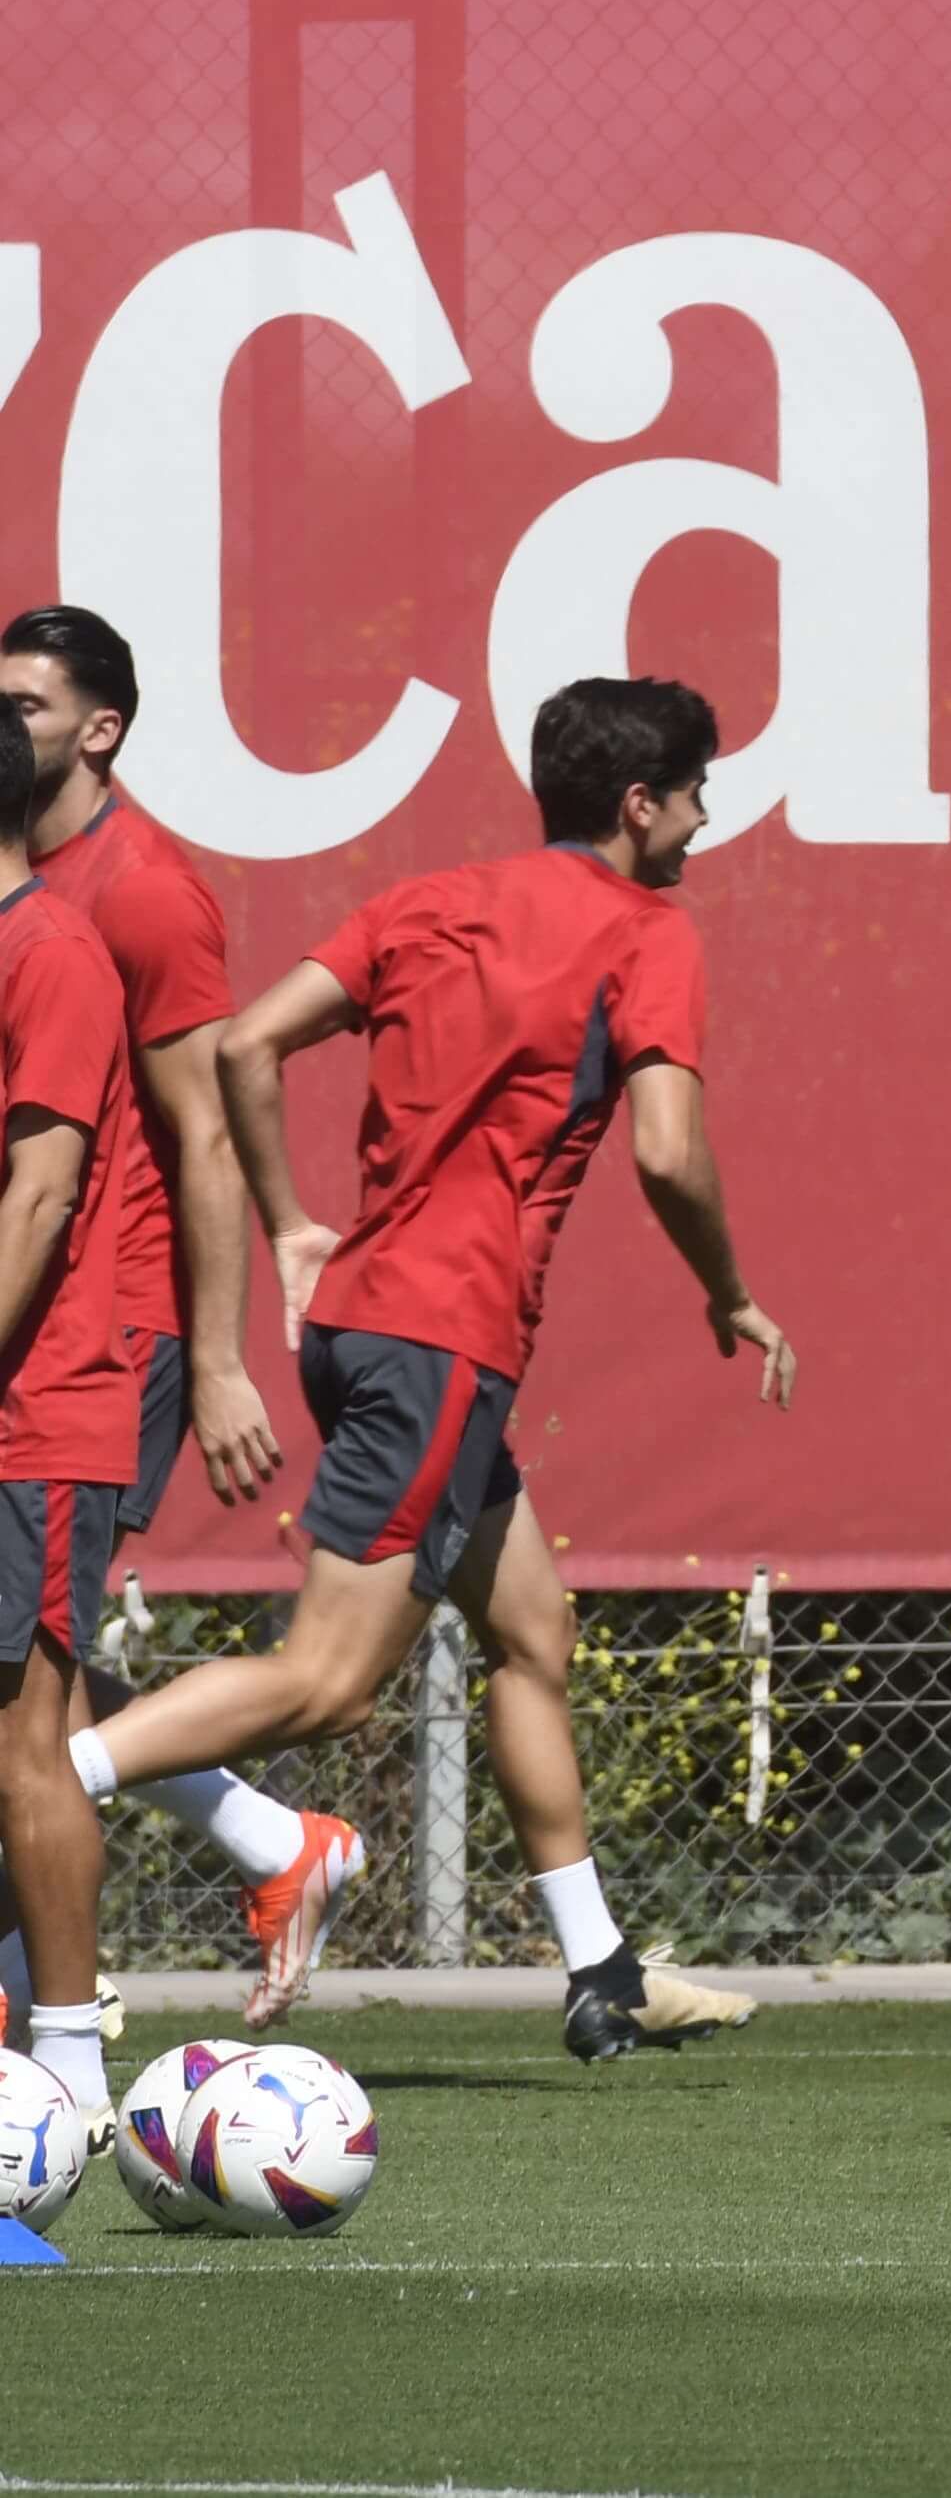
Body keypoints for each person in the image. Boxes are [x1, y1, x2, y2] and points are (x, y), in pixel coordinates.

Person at [82, 678, 789, 2065]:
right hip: (443, 1339)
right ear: (639, 805)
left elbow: (246, 1041)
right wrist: (732, 1291)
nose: (707, 818)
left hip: (361, 1327)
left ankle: (601, 1971)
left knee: (535, 1628)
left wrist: (294, 1219)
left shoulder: (429, 900)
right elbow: (666, 1148)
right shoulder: (648, 930)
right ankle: (49, 1777)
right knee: (331, 1678)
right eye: (696, 790)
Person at [0, 605, 362, 2027]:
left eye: (26, 704)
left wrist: (212, 1358)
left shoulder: (136, 895)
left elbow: (199, 1133)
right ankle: (272, 1842)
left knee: (35, 1679)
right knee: (42, 1661)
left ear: (99, 730)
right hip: (59, 1311)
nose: (4, 725)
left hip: (108, 1323)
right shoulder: (42, 883)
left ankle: (51, 2040)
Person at [0, 700, 141, 2119]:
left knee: (22, 1744)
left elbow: (38, 1199)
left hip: (34, 1420)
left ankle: (67, 2076)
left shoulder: (52, 952)